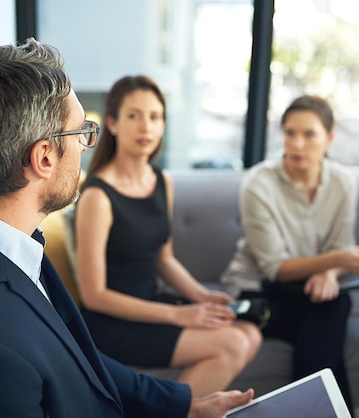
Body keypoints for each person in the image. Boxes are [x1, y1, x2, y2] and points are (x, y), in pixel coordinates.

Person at [0, 39, 254, 418]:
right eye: (80, 132)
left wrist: (184, 405)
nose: (87, 145)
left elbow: (78, 359)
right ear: (43, 158)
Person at [73, 75, 262, 398]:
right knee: (232, 342)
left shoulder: (162, 181)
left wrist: (203, 296)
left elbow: (164, 258)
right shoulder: (97, 197)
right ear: (114, 123)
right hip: (113, 321)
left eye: (155, 117)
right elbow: (94, 295)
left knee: (250, 332)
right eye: (134, 116)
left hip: (152, 304)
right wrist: (179, 314)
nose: (146, 126)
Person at [220, 95, 359, 413]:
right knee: (329, 316)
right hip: (257, 289)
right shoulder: (258, 184)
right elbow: (275, 268)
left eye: (309, 134)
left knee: (331, 308)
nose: (296, 144)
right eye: (289, 133)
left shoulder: (343, 182)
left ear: (329, 138)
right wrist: (337, 261)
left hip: (305, 290)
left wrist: (329, 273)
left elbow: (339, 245)